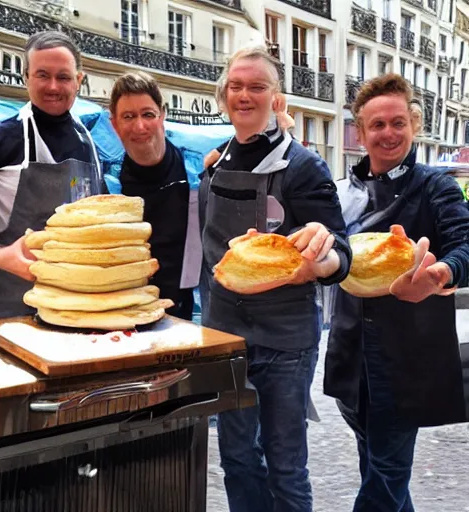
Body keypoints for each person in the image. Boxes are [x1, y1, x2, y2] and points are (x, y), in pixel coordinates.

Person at [199, 46, 351, 512]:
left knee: (285, 466)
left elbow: (341, 254)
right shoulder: (213, 164)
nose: (245, 95)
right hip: (226, 336)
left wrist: (317, 261)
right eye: (237, 86)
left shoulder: (304, 167)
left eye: (257, 87)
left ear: (274, 97)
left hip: (286, 343)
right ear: (224, 95)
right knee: (238, 459)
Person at [324, 73, 469, 512]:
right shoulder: (344, 192)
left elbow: (465, 243)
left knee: (382, 483)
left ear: (414, 125)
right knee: (378, 471)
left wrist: (441, 273)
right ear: (361, 132)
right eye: (378, 125)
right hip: (351, 355)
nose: (389, 133)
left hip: (407, 362)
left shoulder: (436, 187)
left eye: (398, 122)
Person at [0, 31, 101, 321]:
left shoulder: (88, 146)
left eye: (63, 77)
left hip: (67, 313)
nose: (52, 86)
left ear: (79, 81)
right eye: (42, 75)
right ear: (26, 77)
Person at [109, 71, 196, 320]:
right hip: (126, 316)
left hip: (191, 317)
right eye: (129, 116)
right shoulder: (105, 183)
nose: (140, 126)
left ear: (162, 116)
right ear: (114, 123)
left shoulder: (196, 170)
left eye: (148, 114)